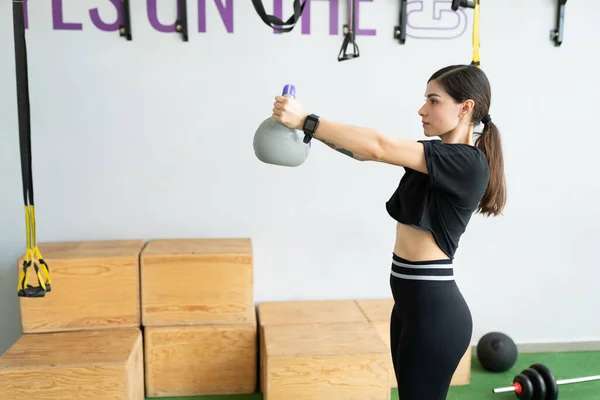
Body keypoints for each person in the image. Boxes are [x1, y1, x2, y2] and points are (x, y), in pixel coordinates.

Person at [272, 64, 506, 399]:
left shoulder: (467, 163)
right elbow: (363, 152)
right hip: (410, 306)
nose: (422, 109)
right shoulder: (433, 156)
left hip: (434, 314)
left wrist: (308, 120)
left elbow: (378, 145)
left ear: (466, 107)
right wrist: (311, 132)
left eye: (433, 100)